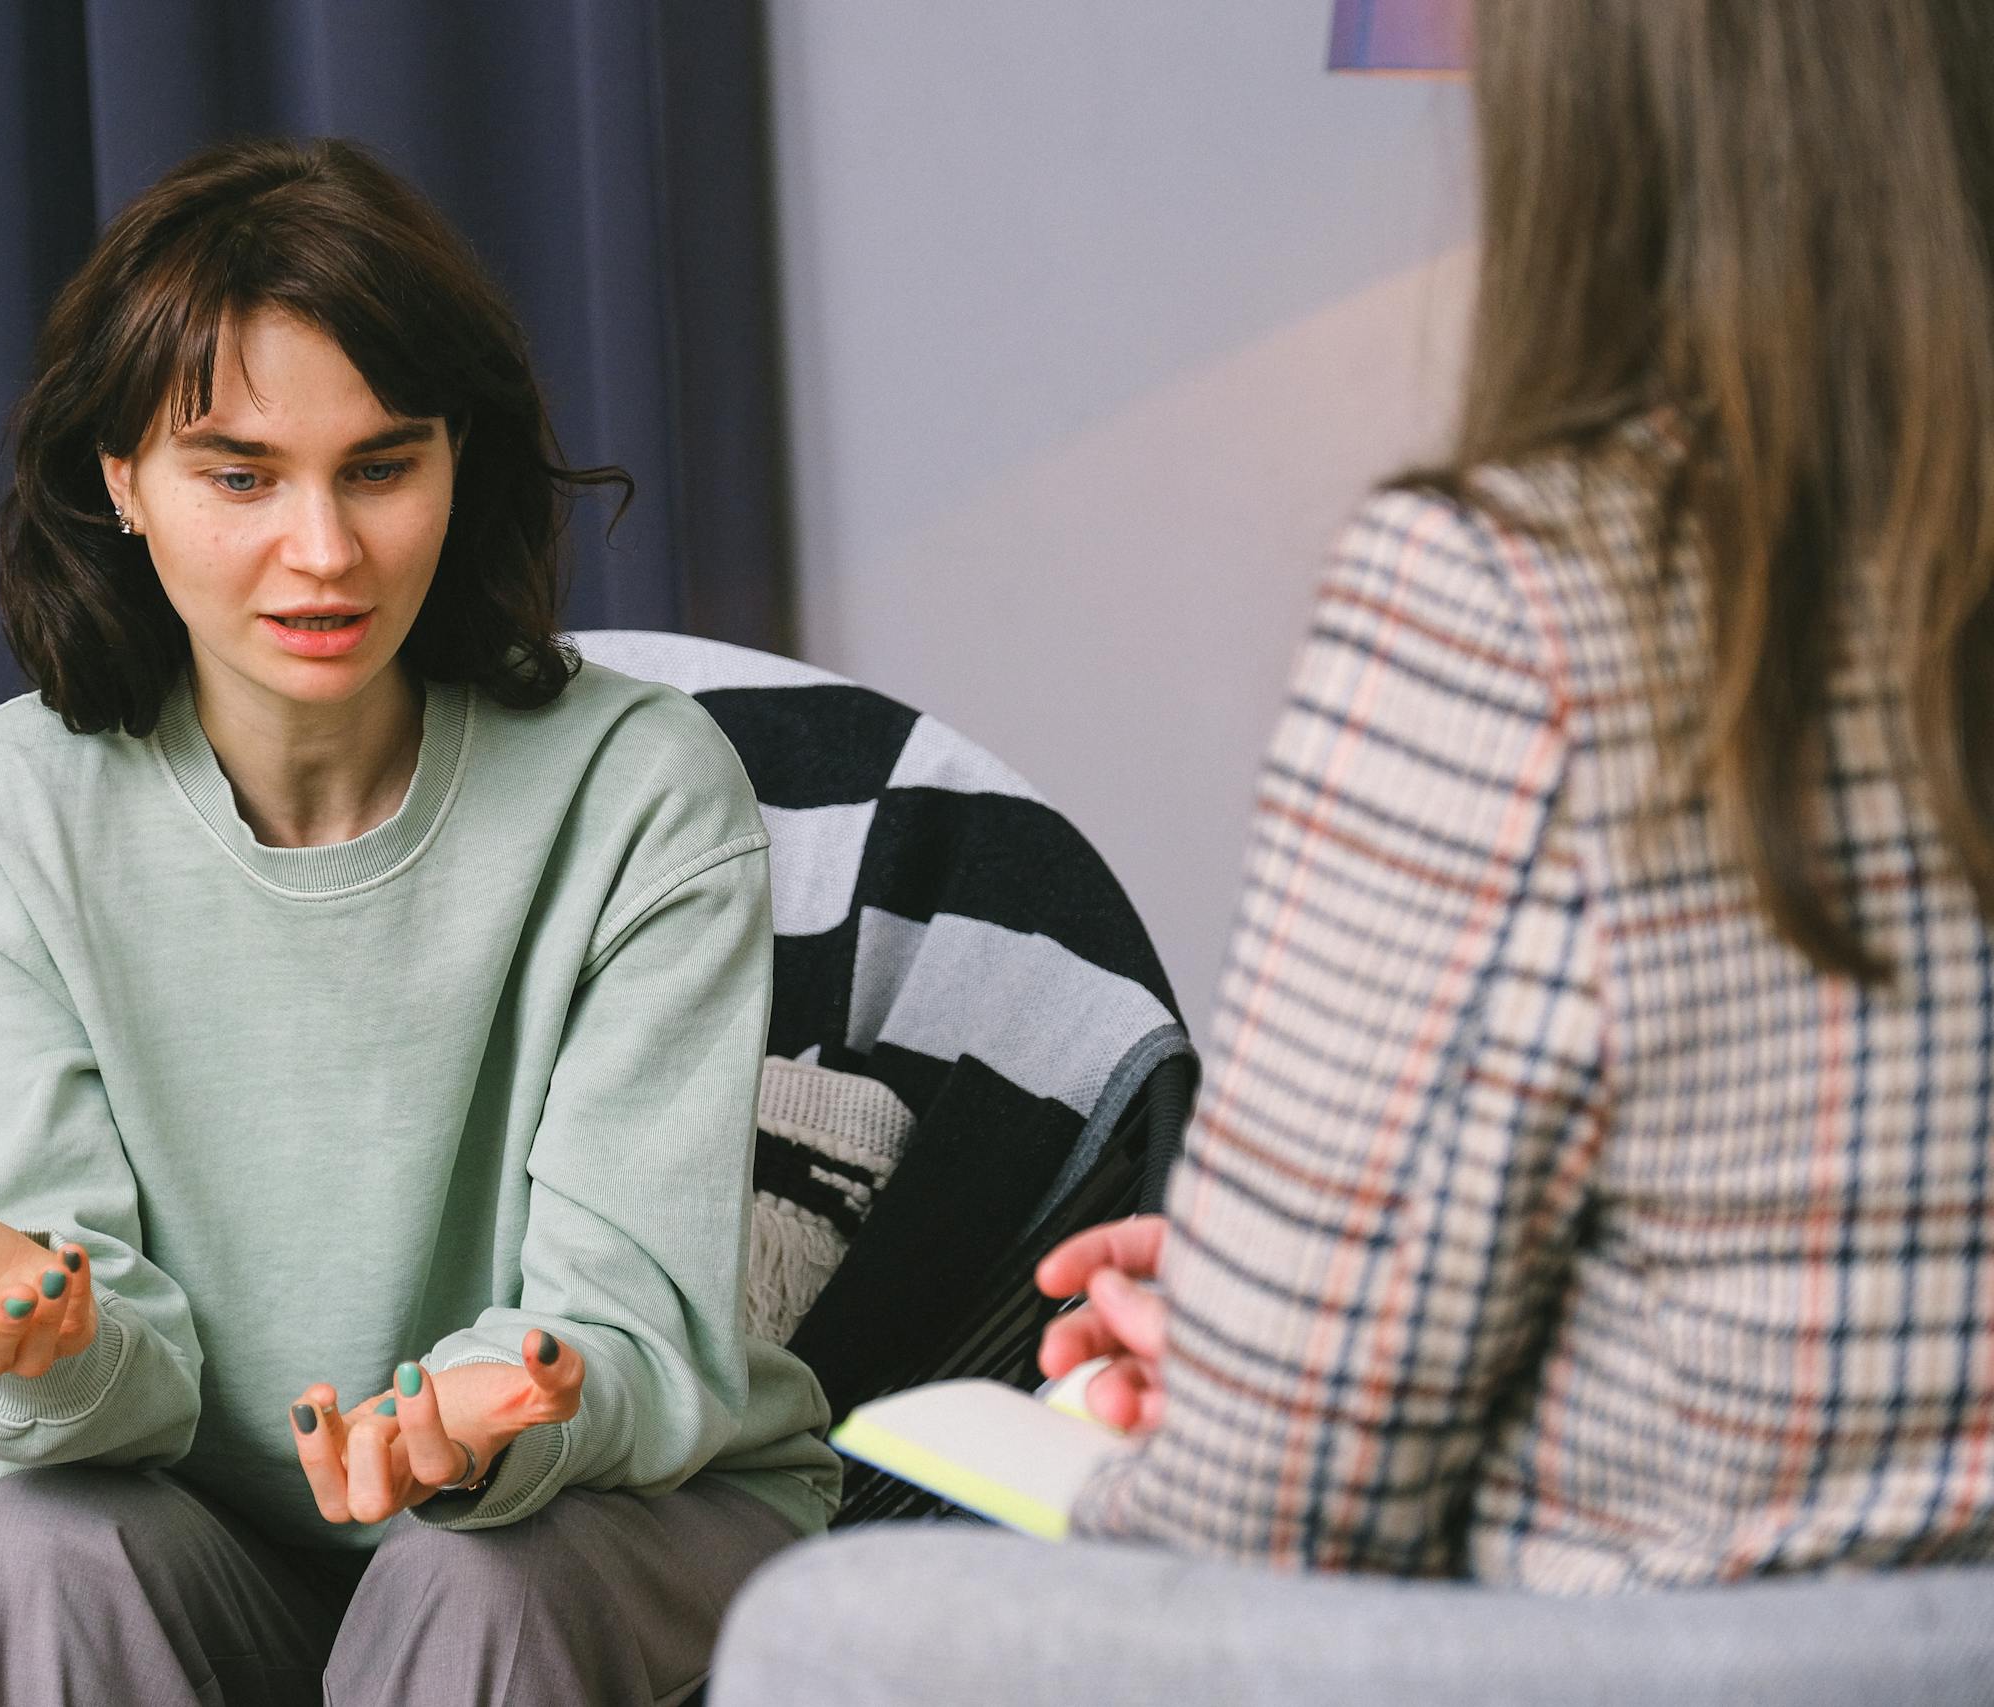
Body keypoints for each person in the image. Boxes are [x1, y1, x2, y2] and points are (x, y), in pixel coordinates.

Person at [713, 0, 1994, 1699]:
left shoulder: (1508, 599)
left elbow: (1284, 1512)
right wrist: (1294, 1300)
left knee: (823, 1637)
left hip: (1668, 1655)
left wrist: (1262, 1387)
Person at [0, 135, 838, 1707]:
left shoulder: (639, 789)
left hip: (602, 1533)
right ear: (122, 482)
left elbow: (630, 1327)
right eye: (239, 475)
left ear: (457, 464)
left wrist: (495, 1412)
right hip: (203, 1545)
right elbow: (87, 1377)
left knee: (469, 1577)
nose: (325, 552)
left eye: (382, 465)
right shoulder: (6, 811)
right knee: (33, 1553)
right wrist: (46, 1336)